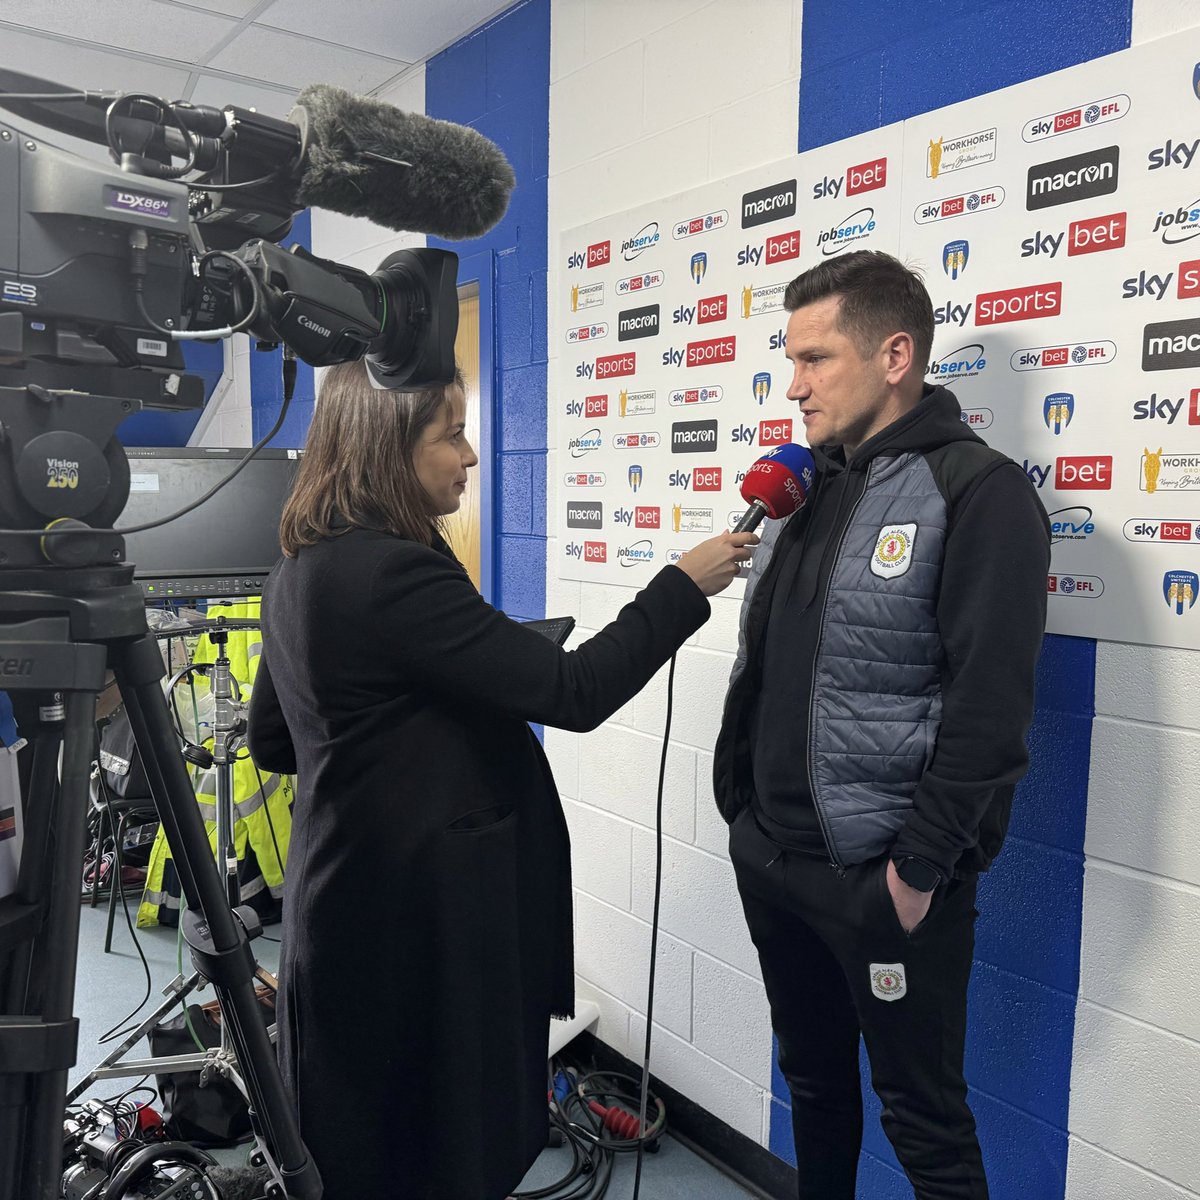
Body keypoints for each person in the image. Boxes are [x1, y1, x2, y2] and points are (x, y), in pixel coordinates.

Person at [247, 359, 757, 1200]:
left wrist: (424, 701)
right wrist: (680, 585)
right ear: (387, 449)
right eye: (450, 435)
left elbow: (278, 737)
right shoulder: (393, 572)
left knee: (361, 1140)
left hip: (341, 903)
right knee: (440, 1153)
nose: (471, 456)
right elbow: (576, 692)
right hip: (417, 923)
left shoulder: (302, 563)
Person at [713, 251, 1050, 1200]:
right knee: (814, 1085)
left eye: (816, 358)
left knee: (924, 1121)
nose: (795, 386)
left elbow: (992, 709)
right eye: (792, 359)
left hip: (882, 885)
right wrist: (742, 816)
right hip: (773, 861)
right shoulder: (802, 488)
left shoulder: (979, 493)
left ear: (895, 354)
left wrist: (914, 875)